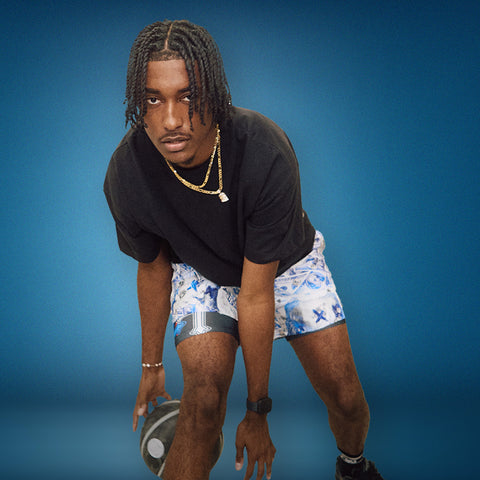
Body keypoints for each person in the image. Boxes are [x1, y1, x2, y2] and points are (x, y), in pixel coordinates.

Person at [104, 19, 384, 480]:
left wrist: (257, 411)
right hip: (203, 273)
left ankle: (352, 466)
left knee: (346, 398)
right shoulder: (127, 172)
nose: (170, 120)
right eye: (154, 99)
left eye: (188, 96)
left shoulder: (263, 151)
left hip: (287, 269)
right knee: (202, 401)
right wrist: (151, 365)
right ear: (139, 102)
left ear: (214, 95)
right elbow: (153, 268)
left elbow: (256, 294)